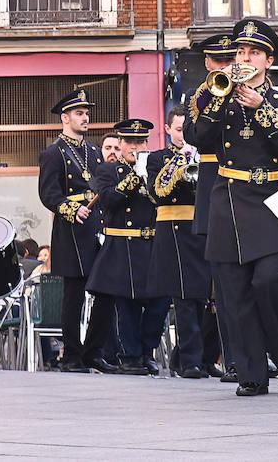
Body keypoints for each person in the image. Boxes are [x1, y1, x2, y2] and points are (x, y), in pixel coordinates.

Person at [194, 19, 278, 397]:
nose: (244, 58)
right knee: (235, 293)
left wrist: (260, 108)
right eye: (241, 52)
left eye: (253, 53)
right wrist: (216, 97)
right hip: (228, 198)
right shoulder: (218, 97)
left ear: (268, 61)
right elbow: (197, 137)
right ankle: (253, 374)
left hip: (273, 199)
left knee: (270, 279)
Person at [37, 89, 113, 374]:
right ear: (65, 118)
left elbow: (102, 188)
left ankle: (94, 351)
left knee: (105, 291)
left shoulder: (93, 151)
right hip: (71, 229)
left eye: (86, 113)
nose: (85, 118)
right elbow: (48, 194)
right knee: (74, 295)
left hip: (95, 227)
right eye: (79, 113)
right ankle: (71, 354)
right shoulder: (53, 153)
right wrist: (71, 209)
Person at [184, 32, 242, 382]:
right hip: (213, 189)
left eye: (229, 60)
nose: (225, 67)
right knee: (221, 285)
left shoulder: (254, 89)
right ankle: (231, 357)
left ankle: (234, 354)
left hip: (248, 188)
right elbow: (195, 135)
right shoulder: (202, 95)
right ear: (207, 64)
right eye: (218, 62)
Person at [89, 118, 165, 375]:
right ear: (120, 144)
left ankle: (147, 351)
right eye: (130, 142)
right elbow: (108, 201)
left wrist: (149, 175)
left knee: (159, 303)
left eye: (140, 141)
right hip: (122, 244)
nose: (135, 147)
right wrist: (134, 178)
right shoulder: (107, 170)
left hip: (152, 244)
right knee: (127, 304)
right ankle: (131, 356)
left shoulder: (155, 167)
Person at [148, 107, 213, 379]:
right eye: (178, 130)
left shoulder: (206, 155)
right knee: (185, 297)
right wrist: (183, 157)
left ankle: (193, 357)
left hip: (202, 229)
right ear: (167, 130)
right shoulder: (157, 158)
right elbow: (156, 192)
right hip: (174, 230)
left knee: (204, 298)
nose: (183, 134)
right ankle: (190, 361)